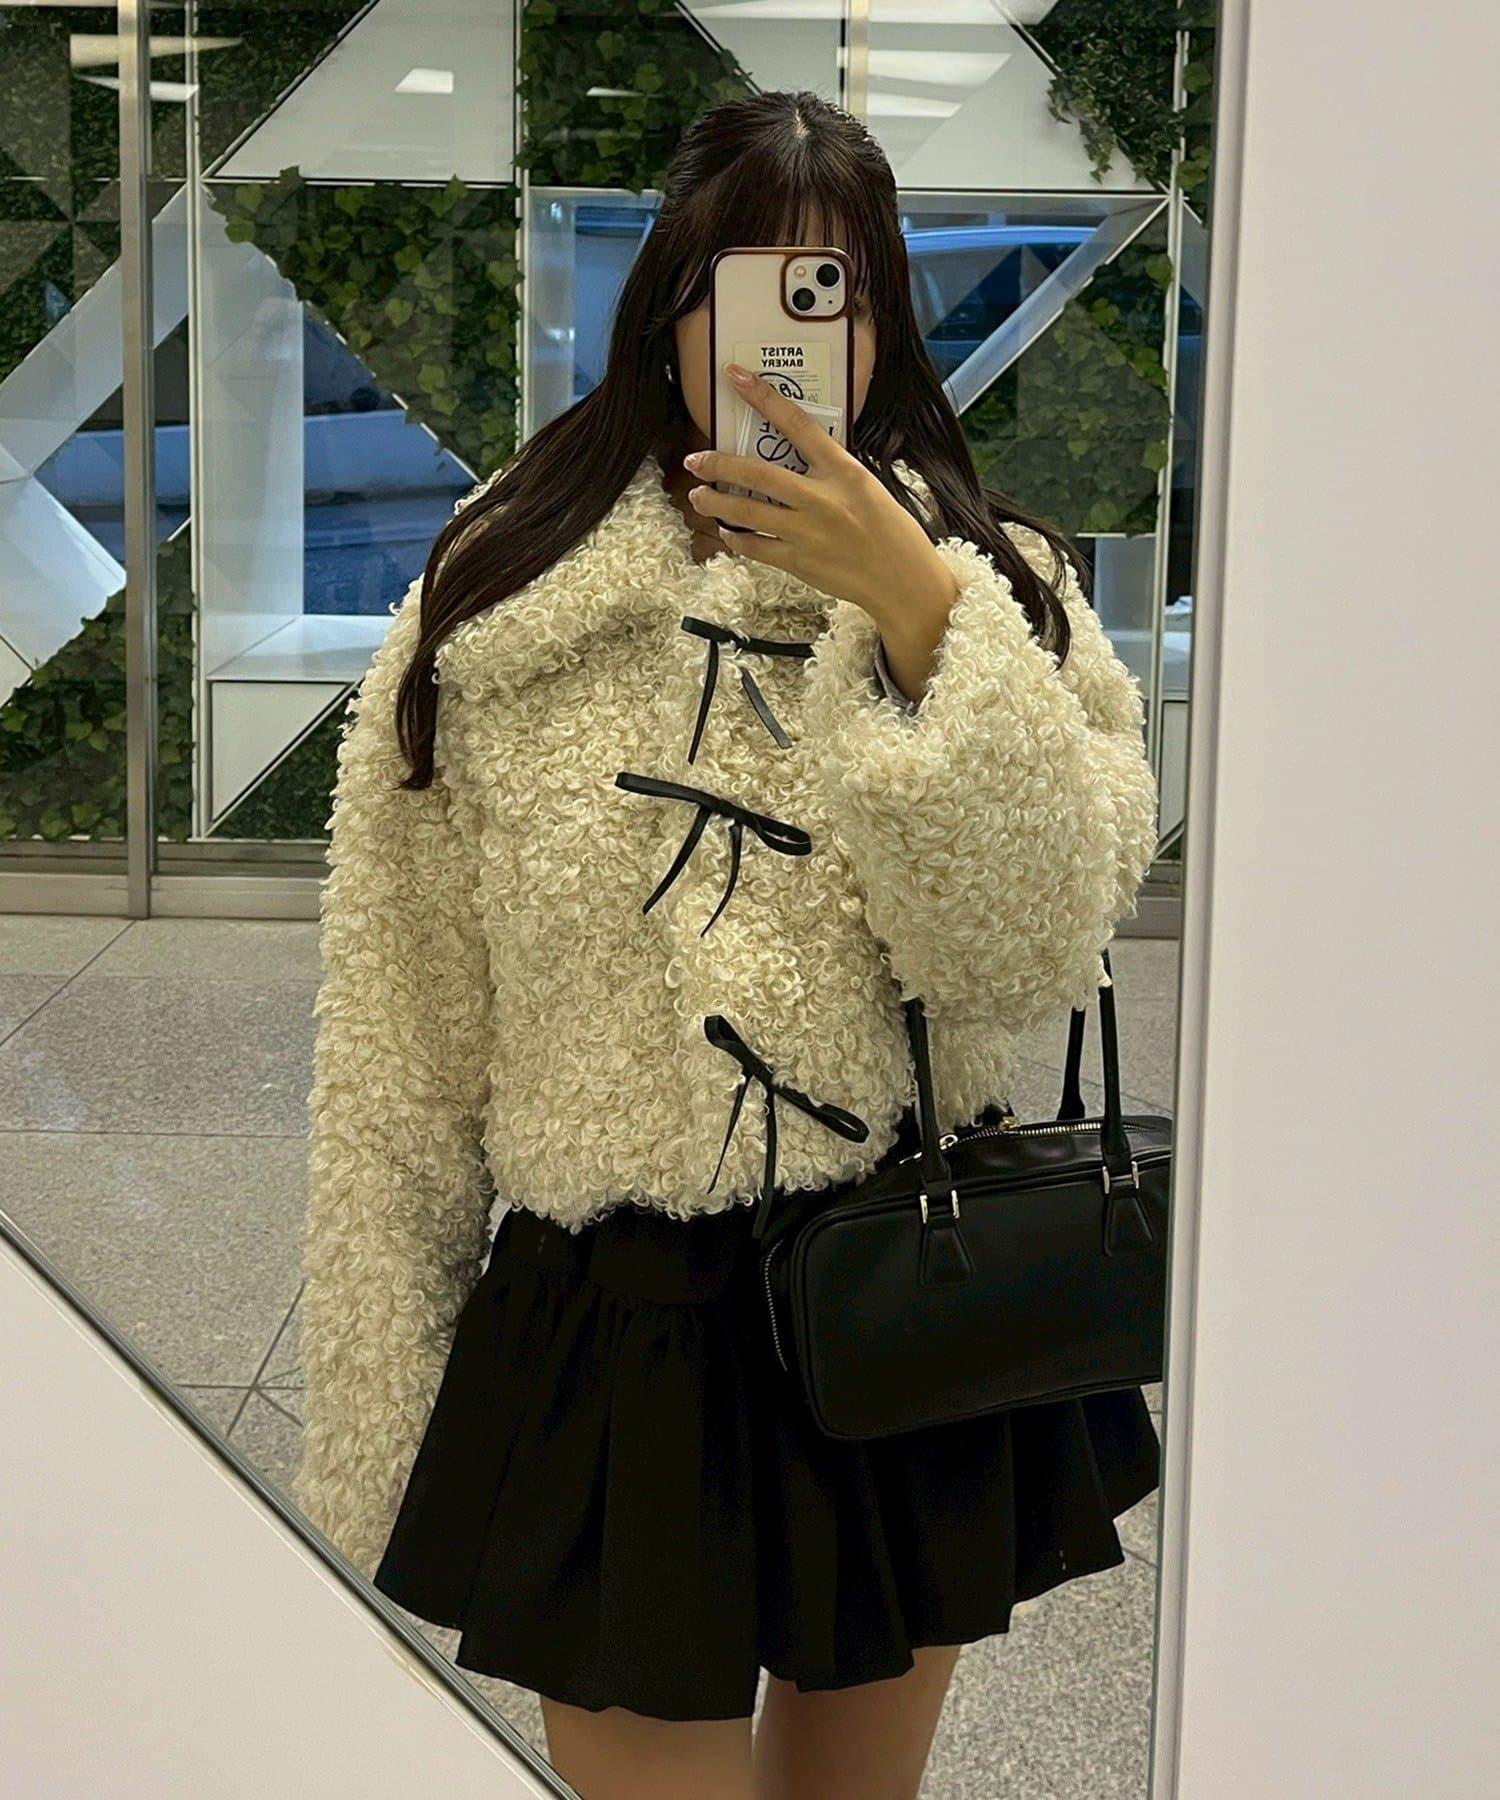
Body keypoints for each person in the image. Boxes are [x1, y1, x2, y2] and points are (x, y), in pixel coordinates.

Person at [293, 89, 1162, 1800]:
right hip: (616, 1325)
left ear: (883, 327)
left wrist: (921, 617)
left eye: (834, 297)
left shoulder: (998, 592)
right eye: (748, 289)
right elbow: (399, 1046)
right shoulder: (497, 606)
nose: (784, 344)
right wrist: (382, 1396)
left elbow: (1035, 947)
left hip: (898, 1286)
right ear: (670, 308)